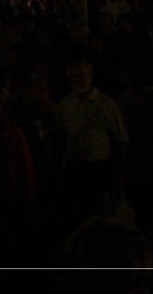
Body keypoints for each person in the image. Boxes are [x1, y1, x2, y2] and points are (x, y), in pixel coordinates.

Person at [53, 54, 128, 231]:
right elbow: (61, 136)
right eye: (74, 76)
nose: (79, 80)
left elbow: (120, 139)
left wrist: (116, 174)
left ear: (91, 75)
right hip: (74, 168)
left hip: (99, 169)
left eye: (82, 75)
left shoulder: (106, 104)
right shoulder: (65, 105)